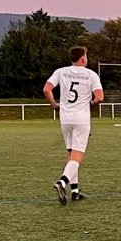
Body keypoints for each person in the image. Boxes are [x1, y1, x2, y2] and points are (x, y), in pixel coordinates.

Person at [44, 46, 104, 204]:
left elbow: (47, 89)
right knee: (77, 157)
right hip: (81, 119)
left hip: (65, 118)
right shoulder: (91, 74)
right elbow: (99, 97)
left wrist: (54, 105)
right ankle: (62, 182)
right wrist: (90, 103)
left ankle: (75, 191)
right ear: (83, 59)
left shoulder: (61, 71)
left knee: (71, 155)